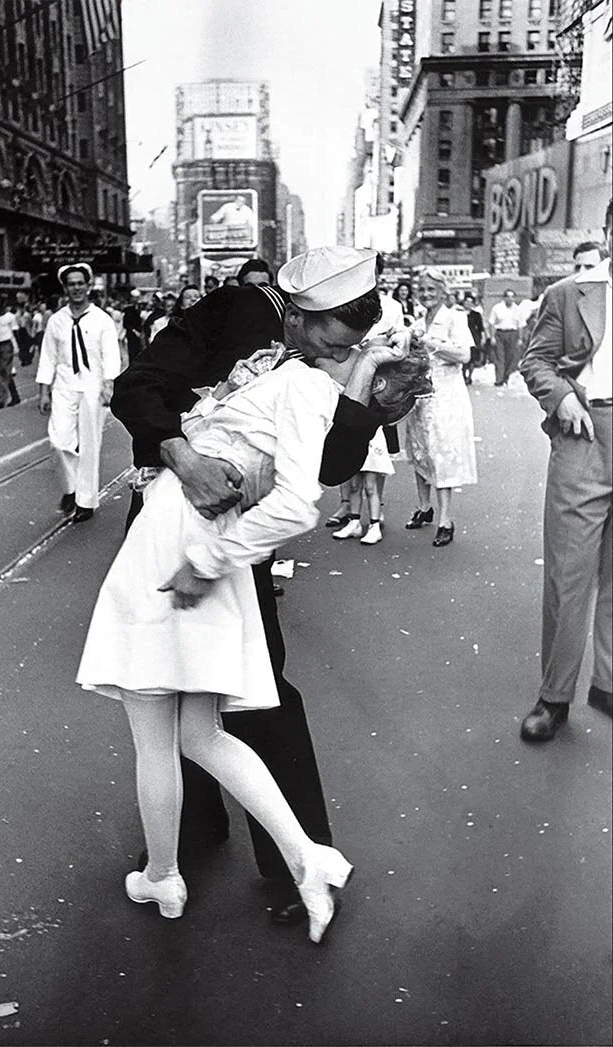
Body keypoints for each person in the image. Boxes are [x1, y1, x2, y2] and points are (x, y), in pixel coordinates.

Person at [77, 248, 404, 943]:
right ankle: (192, 836)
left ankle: (283, 863)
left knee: (251, 691)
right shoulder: (233, 310)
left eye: (347, 342)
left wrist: (366, 407)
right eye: (325, 334)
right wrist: (181, 454)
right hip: (181, 504)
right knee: (183, 701)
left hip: (232, 532)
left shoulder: (329, 363)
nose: (330, 349)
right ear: (300, 308)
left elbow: (327, 467)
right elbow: (138, 386)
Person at [519, 199, 612, 741]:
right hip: (585, 434)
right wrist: (561, 398)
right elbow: (536, 361)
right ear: (607, 232)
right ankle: (554, 697)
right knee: (568, 576)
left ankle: (608, 683)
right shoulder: (569, 294)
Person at [327, 252, 407, 534]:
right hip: (343, 378)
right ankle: (347, 505)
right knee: (341, 441)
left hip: (379, 385)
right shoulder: (340, 302)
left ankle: (376, 509)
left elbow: (400, 345)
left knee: (375, 454)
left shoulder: (392, 307)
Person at [36, 263, 121, 523]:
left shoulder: (102, 319)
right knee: (59, 441)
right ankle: (70, 489)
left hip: (93, 387)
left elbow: (111, 354)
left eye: (80, 283)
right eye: (71, 284)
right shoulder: (56, 320)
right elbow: (48, 357)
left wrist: (109, 385)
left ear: (88, 286)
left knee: (90, 444)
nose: (76, 288)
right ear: (65, 288)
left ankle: (85, 501)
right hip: (63, 386)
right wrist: (43, 392)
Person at [404, 267, 477, 547]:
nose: (425, 294)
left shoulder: (455, 318)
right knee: (421, 451)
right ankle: (424, 507)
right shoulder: (419, 319)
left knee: (443, 453)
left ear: (443, 292)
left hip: (447, 395)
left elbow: (464, 354)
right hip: (421, 393)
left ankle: (446, 520)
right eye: (421, 290)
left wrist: (430, 343)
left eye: (431, 290)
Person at [488, 289, 523, 387]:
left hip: (512, 334)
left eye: (512, 296)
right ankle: (499, 379)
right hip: (500, 334)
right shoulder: (497, 308)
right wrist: (492, 337)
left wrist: (520, 339)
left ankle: (506, 377)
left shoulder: (517, 309)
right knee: (500, 357)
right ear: (504, 298)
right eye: (508, 296)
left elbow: (520, 325)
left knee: (510, 357)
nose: (510, 299)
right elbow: (491, 323)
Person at [461, 291, 486, 384]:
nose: (468, 304)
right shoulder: (459, 313)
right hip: (462, 337)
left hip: (473, 337)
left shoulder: (476, 314)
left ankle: (470, 376)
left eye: (470, 302)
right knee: (463, 357)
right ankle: (463, 374)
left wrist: (482, 339)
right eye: (466, 302)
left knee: (472, 358)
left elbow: (480, 328)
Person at [123, 290, 145, 363]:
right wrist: (134, 331)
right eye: (134, 298)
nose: (136, 299)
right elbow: (126, 324)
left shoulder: (141, 308)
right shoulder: (128, 309)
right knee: (132, 354)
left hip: (140, 335)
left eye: (137, 297)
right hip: (132, 335)